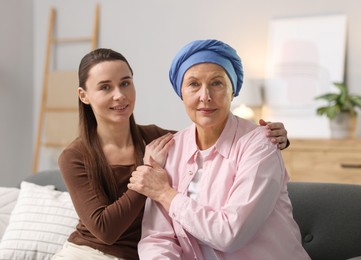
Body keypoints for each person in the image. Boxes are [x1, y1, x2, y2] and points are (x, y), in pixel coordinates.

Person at [52, 48, 290, 260]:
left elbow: (209, 135)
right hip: (87, 251)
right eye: (105, 87)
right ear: (84, 95)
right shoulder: (75, 156)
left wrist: (274, 138)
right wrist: (147, 176)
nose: (119, 95)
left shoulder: (160, 141)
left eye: (125, 83)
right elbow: (107, 230)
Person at [129, 39, 310, 259]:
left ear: (233, 91)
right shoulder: (169, 149)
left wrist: (165, 193)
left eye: (217, 83)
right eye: (193, 84)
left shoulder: (261, 144)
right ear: (181, 92)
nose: (205, 96)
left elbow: (230, 234)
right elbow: (157, 238)